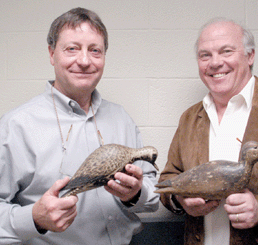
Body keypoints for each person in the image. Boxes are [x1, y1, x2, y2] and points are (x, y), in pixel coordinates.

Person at [0, 7, 159, 245]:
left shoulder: (121, 118)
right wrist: (33, 217)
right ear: (52, 54)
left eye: (95, 51)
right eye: (72, 49)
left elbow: (153, 192)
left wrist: (137, 193)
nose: (84, 61)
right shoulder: (16, 126)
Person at [158, 18, 258, 245]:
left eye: (226, 51)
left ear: (250, 55)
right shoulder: (189, 118)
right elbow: (169, 178)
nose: (215, 63)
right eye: (205, 55)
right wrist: (180, 199)